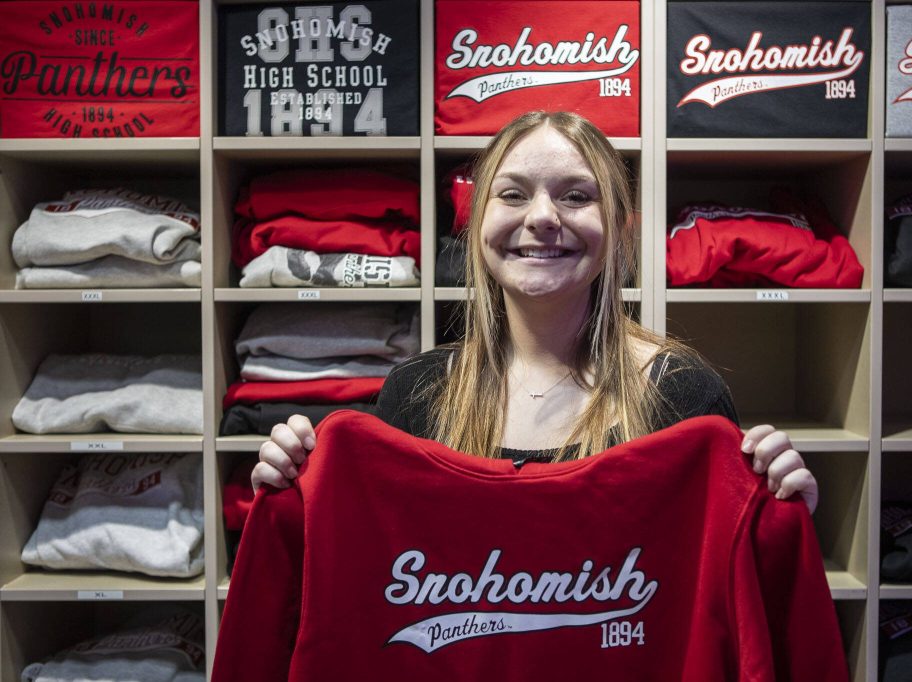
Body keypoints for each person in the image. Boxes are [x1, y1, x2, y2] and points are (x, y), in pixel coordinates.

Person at [250, 110, 819, 514]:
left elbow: (724, 587)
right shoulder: (415, 392)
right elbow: (367, 571)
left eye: (576, 195)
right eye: (514, 194)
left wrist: (781, 510)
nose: (543, 216)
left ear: (619, 230)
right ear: (476, 230)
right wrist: (297, 487)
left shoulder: (684, 397)